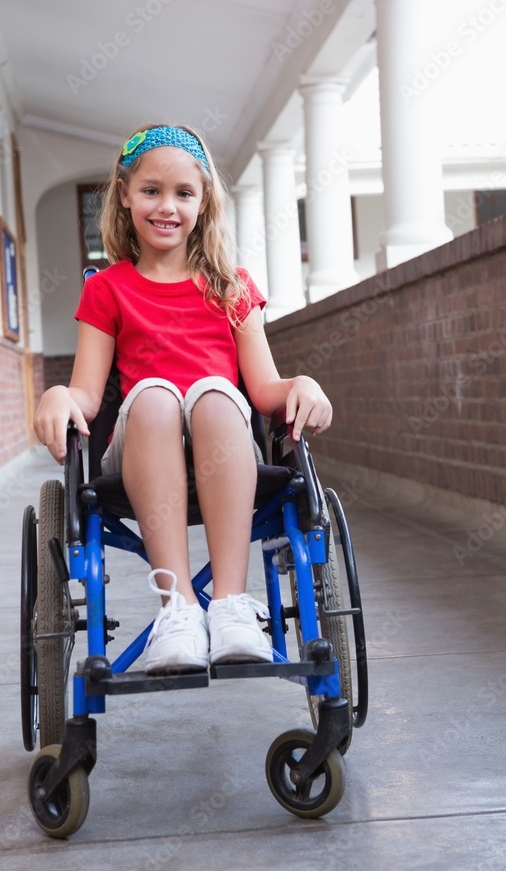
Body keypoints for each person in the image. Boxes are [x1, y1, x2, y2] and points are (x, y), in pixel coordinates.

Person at [33, 123, 332, 675]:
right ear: (124, 194)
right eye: (151, 190)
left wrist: (302, 386)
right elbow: (87, 395)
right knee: (154, 396)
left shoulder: (231, 287)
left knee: (216, 394)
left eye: (182, 193)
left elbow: (265, 389)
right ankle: (176, 607)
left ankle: (230, 604)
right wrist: (56, 394)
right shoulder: (107, 289)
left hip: (224, 445)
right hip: (141, 446)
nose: (165, 206)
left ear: (203, 202)